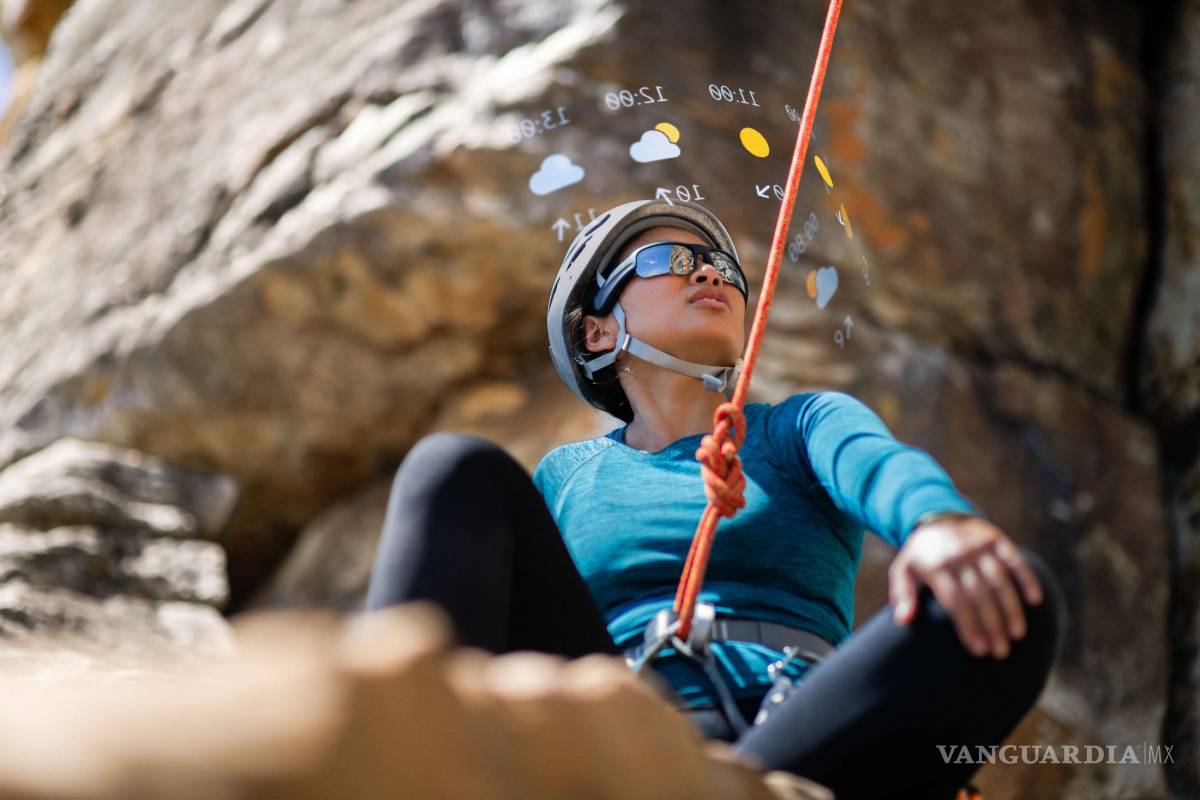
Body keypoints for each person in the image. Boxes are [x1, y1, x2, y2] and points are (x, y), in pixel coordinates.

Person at [364, 198, 1065, 799]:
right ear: (598, 330)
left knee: (1011, 596)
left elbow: (875, 465)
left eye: (722, 266)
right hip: (615, 741)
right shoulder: (565, 477)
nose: (707, 271)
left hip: (790, 741)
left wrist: (937, 523)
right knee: (455, 467)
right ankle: (385, 752)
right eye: (669, 258)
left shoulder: (798, 427)